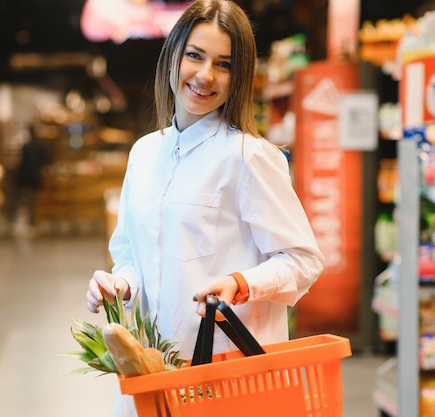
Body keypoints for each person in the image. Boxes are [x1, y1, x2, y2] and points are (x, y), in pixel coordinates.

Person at [85, 1, 325, 416]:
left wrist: (241, 283)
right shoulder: (144, 153)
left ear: (240, 76)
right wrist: (119, 284)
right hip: (151, 372)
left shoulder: (249, 157)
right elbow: (130, 254)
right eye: (195, 55)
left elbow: (303, 260)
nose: (205, 75)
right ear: (173, 55)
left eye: (224, 64)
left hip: (224, 379)